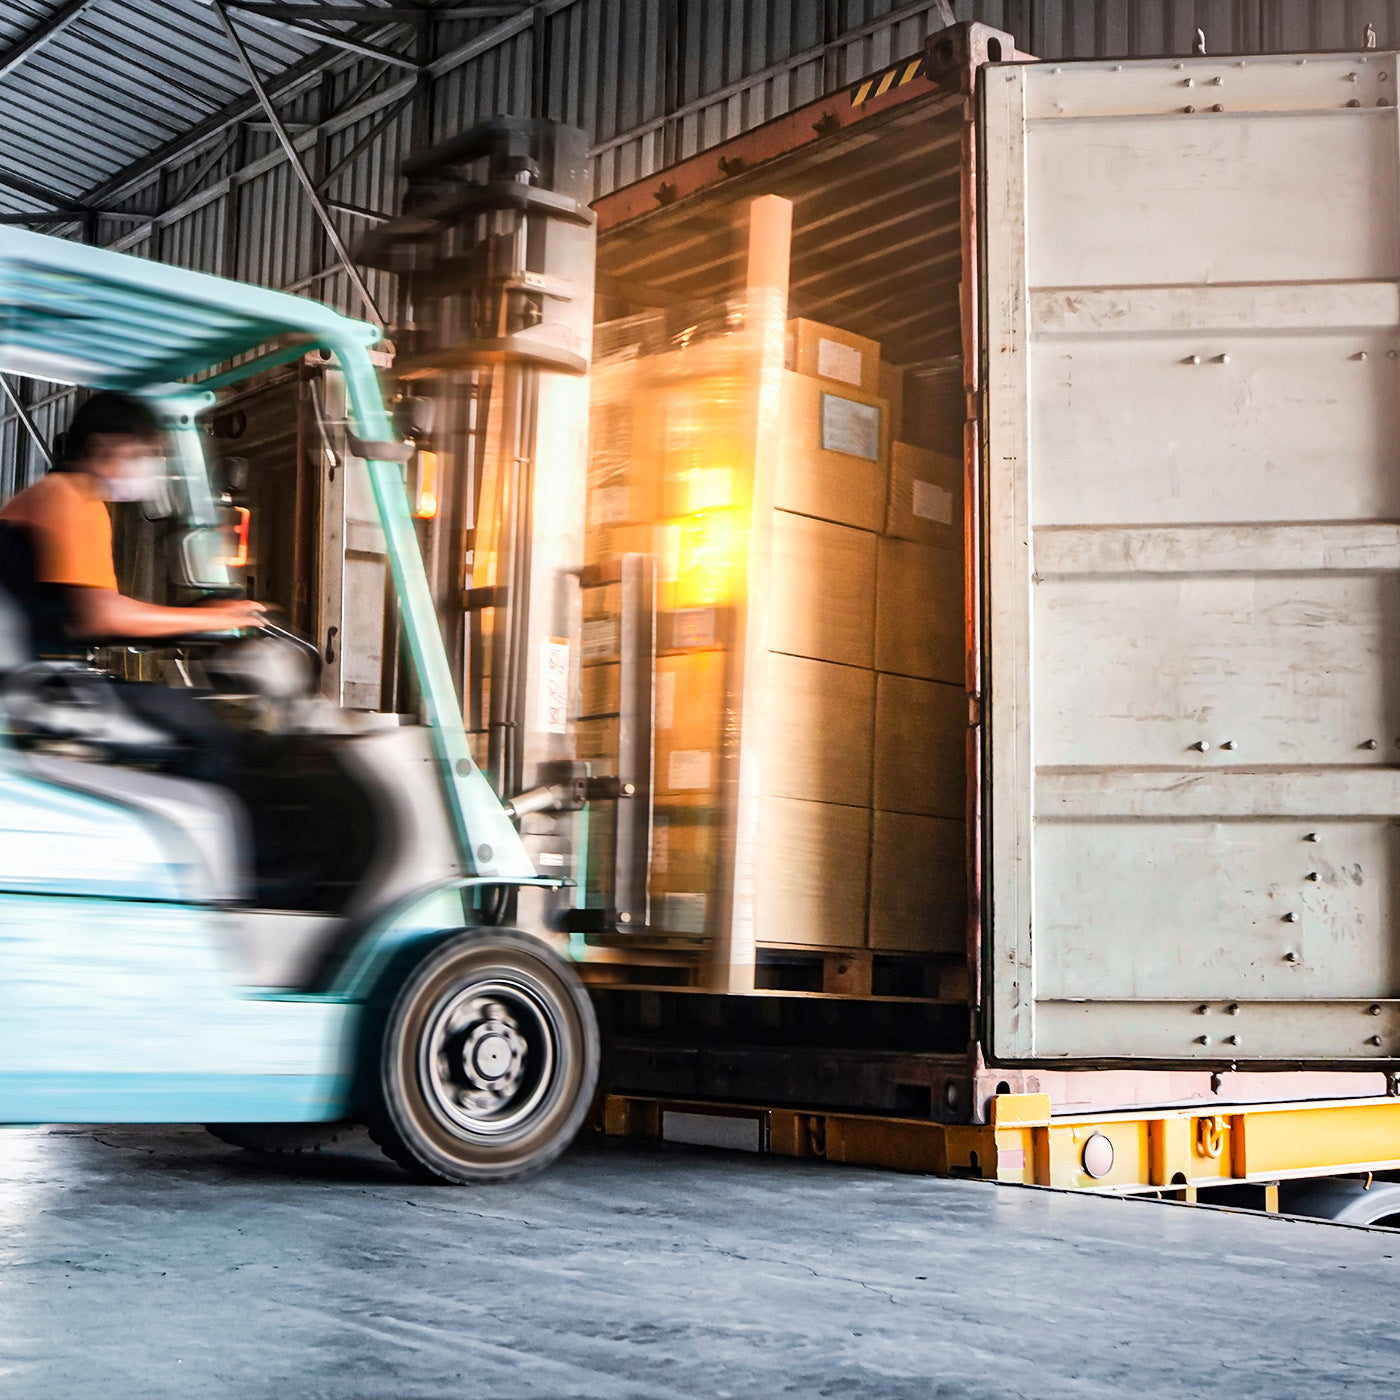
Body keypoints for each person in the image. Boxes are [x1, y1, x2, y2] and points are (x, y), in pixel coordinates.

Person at [0, 391, 264, 646]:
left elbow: (90, 618)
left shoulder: (60, 493)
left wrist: (195, 617)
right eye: (140, 454)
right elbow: (104, 617)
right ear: (101, 447)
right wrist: (214, 618)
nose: (150, 466)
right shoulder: (69, 497)